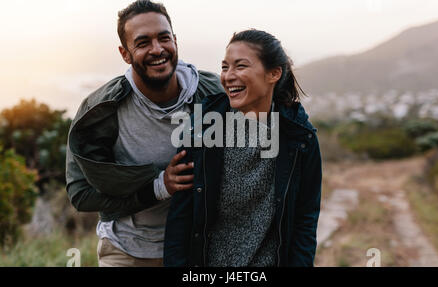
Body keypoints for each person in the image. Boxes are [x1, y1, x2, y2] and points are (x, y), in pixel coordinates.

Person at [65, 0, 224, 267]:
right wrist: (159, 187)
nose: (157, 49)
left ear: (175, 40)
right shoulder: (100, 110)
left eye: (164, 38)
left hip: (198, 250)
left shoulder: (213, 94)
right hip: (126, 252)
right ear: (125, 53)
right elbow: (80, 194)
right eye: (142, 43)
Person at [164, 29, 322, 267]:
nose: (228, 76)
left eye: (240, 66)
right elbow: (181, 219)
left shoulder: (300, 139)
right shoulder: (202, 129)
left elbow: (304, 221)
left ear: (274, 73)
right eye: (225, 67)